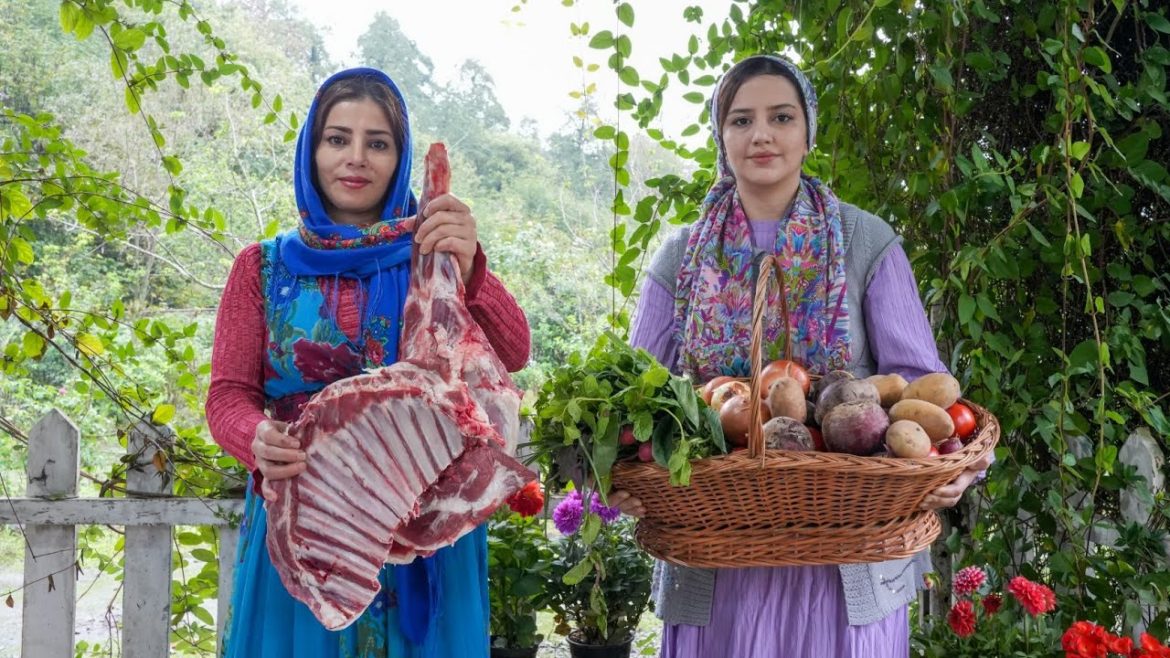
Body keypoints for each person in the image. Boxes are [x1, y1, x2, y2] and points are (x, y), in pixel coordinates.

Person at [607, 55, 992, 657]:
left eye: (781, 117)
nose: (761, 134)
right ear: (721, 138)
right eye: (741, 120)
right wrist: (622, 473)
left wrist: (954, 465)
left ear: (808, 132)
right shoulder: (680, 254)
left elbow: (921, 386)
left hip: (848, 556)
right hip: (716, 555)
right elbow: (630, 394)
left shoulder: (866, 241)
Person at [205, 67, 531, 658]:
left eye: (377, 142)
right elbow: (227, 395)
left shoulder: (433, 252)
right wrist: (254, 438)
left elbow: (513, 353)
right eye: (338, 138)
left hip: (421, 525)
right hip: (309, 523)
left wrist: (471, 261)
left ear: (399, 157)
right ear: (311, 148)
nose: (355, 158)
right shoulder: (261, 267)